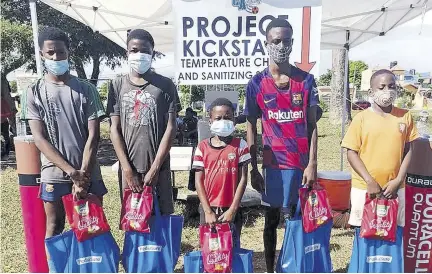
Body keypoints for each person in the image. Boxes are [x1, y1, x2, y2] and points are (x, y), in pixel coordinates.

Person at [20, 26, 107, 268]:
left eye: (61, 52)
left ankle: (92, 267)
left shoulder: (86, 89)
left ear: (69, 52)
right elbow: (39, 138)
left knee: (92, 224)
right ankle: (58, 268)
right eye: (51, 53)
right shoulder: (33, 92)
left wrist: (83, 176)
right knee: (55, 225)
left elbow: (94, 136)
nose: (56, 57)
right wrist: (71, 172)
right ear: (41, 54)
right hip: (54, 172)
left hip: (88, 171)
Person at [244, 18, 319, 272]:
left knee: (297, 220)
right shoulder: (256, 84)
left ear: (293, 43)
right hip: (272, 165)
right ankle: (270, 268)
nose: (281, 45)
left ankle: (296, 266)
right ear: (266, 43)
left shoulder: (306, 80)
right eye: (276, 41)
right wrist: (253, 168)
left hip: (300, 165)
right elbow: (251, 126)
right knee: (271, 219)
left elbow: (312, 126)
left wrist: (312, 164)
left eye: (286, 41)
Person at [107, 29, 180, 215]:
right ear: (127, 53)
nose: (139, 55)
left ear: (152, 53)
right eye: (134, 50)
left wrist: (155, 168)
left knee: (161, 217)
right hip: (129, 167)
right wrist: (127, 169)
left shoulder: (165, 85)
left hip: (159, 166)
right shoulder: (117, 85)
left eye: (145, 51)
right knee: (134, 217)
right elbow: (114, 129)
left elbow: (171, 128)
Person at [341, 69, 418, 232]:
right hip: (365, 187)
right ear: (371, 91)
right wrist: (370, 181)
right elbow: (351, 152)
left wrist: (398, 180)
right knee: (364, 232)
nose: (387, 91)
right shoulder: (360, 119)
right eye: (381, 87)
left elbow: (409, 150)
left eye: (391, 86)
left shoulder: (405, 116)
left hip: (396, 187)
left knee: (393, 233)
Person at [192, 98, 250, 247]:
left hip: (231, 209)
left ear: (234, 120)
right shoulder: (202, 147)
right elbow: (198, 181)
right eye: (218, 118)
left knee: (232, 248)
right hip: (208, 208)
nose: (223, 121)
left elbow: (243, 179)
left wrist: (233, 209)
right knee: (210, 250)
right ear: (210, 121)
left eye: (227, 117)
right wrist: (208, 211)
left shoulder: (240, 146)